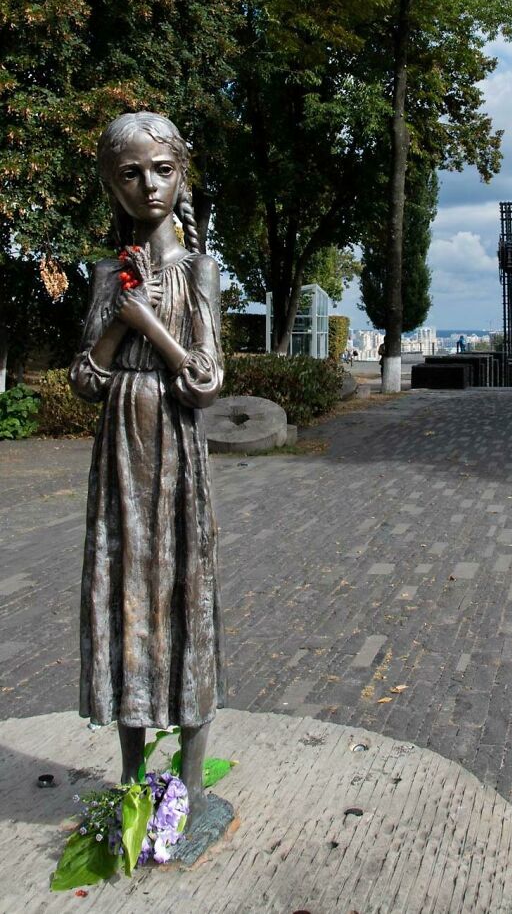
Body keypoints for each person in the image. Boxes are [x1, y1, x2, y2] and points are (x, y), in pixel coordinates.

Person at [69, 112, 225, 826]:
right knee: (124, 588)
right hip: (120, 458)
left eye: (161, 169)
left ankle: (186, 781)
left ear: (181, 173)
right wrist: (117, 320)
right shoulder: (106, 272)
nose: (148, 185)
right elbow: (85, 380)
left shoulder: (200, 271)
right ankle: (133, 775)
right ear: (111, 182)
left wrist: (153, 327)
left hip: (173, 444)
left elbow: (203, 379)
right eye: (130, 173)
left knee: (182, 591)